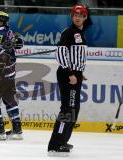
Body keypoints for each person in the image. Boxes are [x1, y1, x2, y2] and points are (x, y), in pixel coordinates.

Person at [48, 4, 89, 156]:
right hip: (68, 75)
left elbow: (76, 55)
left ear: (85, 17)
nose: (77, 17)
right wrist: (70, 73)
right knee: (67, 109)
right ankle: (55, 144)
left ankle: (63, 140)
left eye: (80, 15)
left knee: (74, 109)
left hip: (75, 74)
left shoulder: (80, 33)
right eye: (75, 15)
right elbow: (60, 53)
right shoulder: (69, 32)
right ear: (72, 17)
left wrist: (79, 72)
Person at [0, 10, 24, 140]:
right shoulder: (8, 31)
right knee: (9, 100)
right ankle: (17, 129)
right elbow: (12, 47)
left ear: (0, 21)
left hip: (1, 73)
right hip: (10, 72)